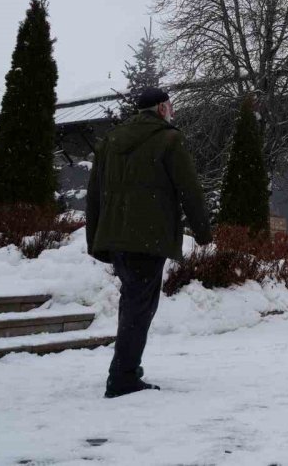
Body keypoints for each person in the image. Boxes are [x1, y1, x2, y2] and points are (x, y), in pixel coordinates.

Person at [86, 86, 212, 397]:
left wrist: (96, 238)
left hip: (116, 237)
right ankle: (123, 376)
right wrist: (203, 231)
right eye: (170, 106)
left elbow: (95, 193)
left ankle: (126, 369)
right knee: (139, 307)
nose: (172, 111)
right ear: (161, 109)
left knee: (132, 302)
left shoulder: (110, 141)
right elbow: (189, 188)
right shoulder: (169, 139)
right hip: (149, 237)